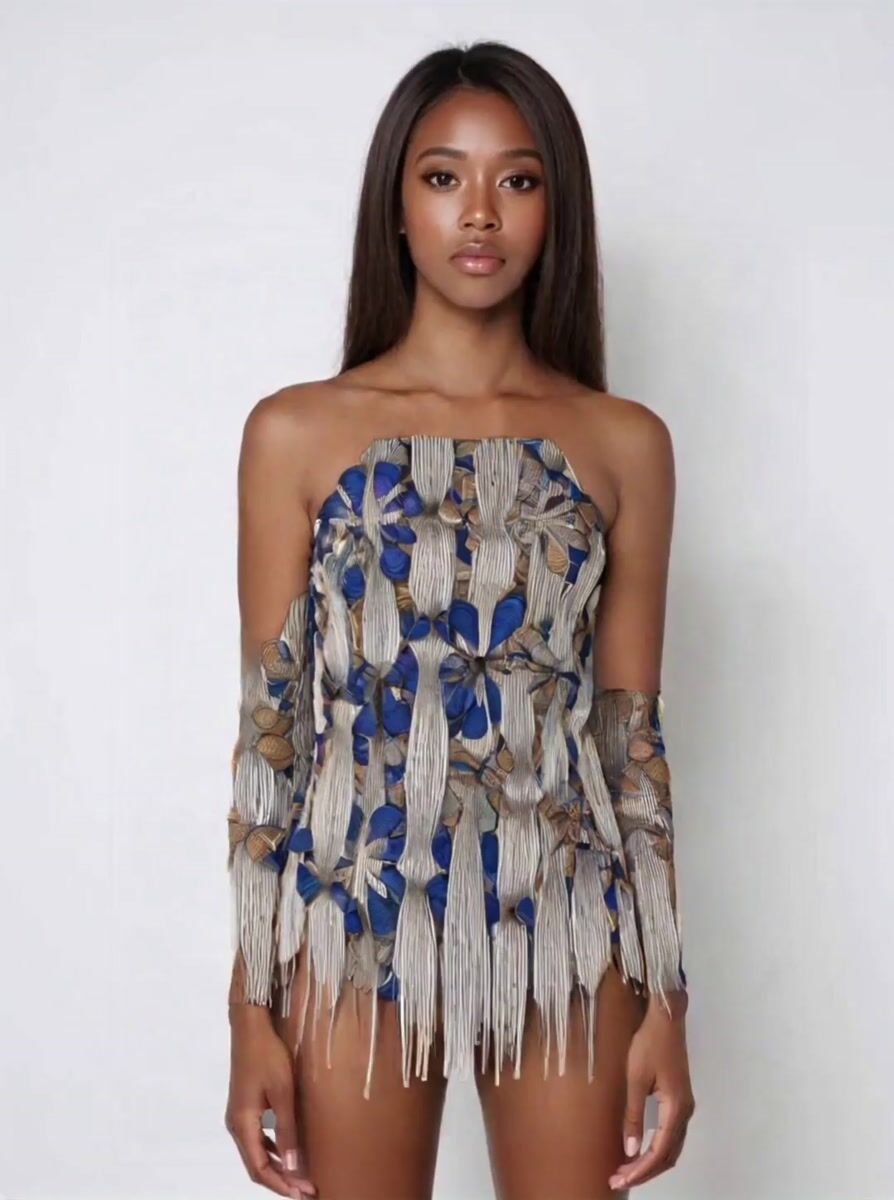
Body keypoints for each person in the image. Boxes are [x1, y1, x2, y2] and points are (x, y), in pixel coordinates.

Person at [224, 39, 696, 1200]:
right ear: (396, 205)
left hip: (566, 918)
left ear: (555, 208)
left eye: (517, 180)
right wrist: (249, 1007)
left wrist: (668, 998)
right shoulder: (297, 433)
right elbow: (272, 741)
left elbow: (630, 742)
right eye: (443, 177)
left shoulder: (623, 443)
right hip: (353, 912)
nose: (479, 213)